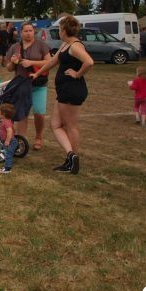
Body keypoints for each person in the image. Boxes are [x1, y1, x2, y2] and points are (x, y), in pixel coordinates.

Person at [31, 16, 94, 174]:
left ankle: (73, 160)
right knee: (55, 125)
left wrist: (77, 74)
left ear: (64, 30)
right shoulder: (66, 44)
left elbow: (89, 62)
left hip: (71, 89)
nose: (58, 32)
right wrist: (37, 73)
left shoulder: (75, 46)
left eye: (59, 29)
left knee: (70, 126)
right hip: (64, 90)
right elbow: (53, 61)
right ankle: (71, 156)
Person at [8, 23, 52, 150]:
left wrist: (31, 62)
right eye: (26, 31)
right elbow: (9, 68)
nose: (28, 33)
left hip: (38, 84)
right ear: (21, 33)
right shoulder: (15, 47)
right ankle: (21, 140)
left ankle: (38, 137)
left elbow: (49, 62)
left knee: (39, 113)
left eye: (30, 30)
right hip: (21, 85)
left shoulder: (41, 45)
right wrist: (13, 62)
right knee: (22, 113)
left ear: (34, 31)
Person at [0, 103, 18, 174]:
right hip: (9, 141)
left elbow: (10, 131)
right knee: (7, 153)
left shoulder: (6, 122)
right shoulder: (5, 121)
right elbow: (4, 131)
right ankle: (6, 166)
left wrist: (7, 141)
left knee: (8, 154)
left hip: (10, 142)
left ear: (3, 114)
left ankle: (7, 168)